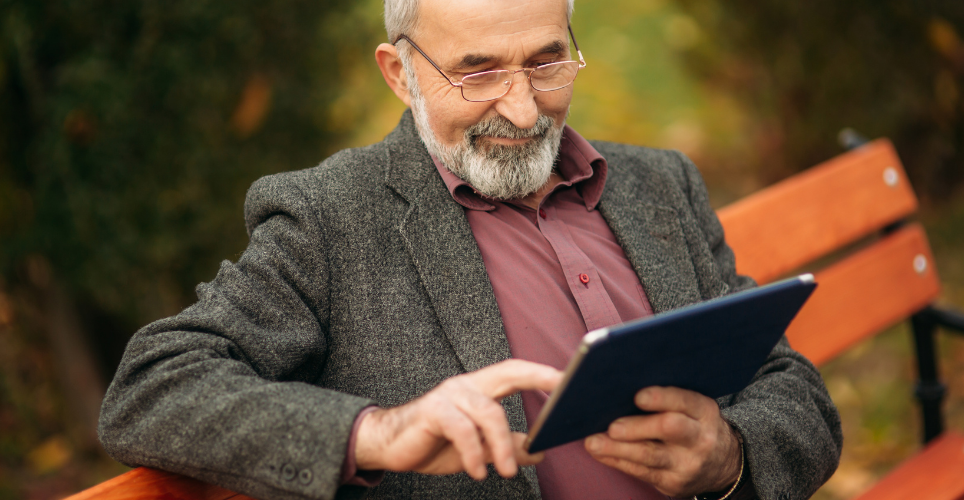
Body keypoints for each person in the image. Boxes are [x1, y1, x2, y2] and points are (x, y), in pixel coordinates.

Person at [98, 0, 842, 499]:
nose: (522, 109)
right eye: (479, 71)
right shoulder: (330, 217)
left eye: (547, 62)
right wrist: (377, 432)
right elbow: (152, 387)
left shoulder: (661, 183)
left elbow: (792, 388)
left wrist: (731, 456)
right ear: (400, 73)